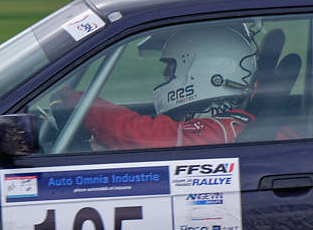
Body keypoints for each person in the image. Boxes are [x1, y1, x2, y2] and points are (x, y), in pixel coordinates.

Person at [74, 23, 261, 149]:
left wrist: (82, 105)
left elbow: (143, 136)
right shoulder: (226, 123)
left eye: (172, 67)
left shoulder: (226, 129)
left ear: (208, 72)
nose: (165, 75)